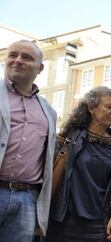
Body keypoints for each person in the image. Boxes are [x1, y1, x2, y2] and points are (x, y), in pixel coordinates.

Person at [44, 86, 111, 242]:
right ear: (92, 108)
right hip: (62, 220)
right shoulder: (69, 136)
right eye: (109, 107)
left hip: (98, 223)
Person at [0, 40, 56, 242]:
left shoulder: (48, 111)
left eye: (26, 57)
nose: (17, 61)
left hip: (27, 199)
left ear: (40, 68)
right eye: (12, 55)